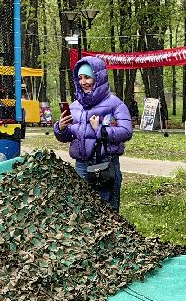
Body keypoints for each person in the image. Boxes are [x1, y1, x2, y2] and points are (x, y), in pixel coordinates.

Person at [54, 56, 133, 210]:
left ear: (98, 78)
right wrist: (61, 128)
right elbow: (69, 135)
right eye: (80, 78)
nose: (83, 82)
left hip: (105, 164)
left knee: (106, 209)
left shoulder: (115, 104)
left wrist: (100, 130)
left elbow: (126, 131)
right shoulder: (76, 106)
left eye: (88, 77)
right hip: (82, 166)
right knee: (82, 208)